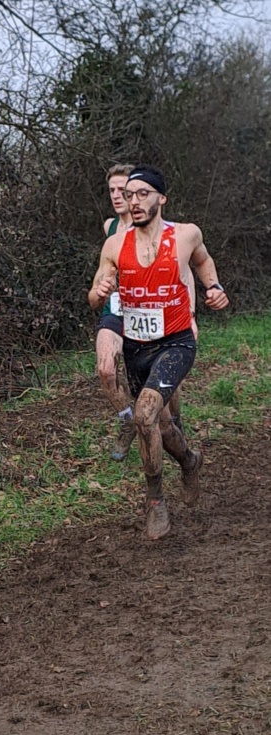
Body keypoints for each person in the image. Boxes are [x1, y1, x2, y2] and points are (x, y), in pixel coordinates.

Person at [88, 165, 228, 540]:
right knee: (159, 426)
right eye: (129, 195)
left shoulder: (185, 234)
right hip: (137, 347)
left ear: (161, 198)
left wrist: (214, 287)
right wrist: (99, 293)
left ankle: (155, 501)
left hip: (176, 342)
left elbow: (202, 260)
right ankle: (189, 460)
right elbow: (95, 294)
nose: (134, 201)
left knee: (145, 413)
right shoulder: (114, 245)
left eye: (142, 194)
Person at [95, 164, 136, 460]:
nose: (116, 195)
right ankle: (127, 421)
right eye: (112, 190)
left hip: (146, 310)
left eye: (122, 190)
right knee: (106, 369)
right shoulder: (109, 226)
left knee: (158, 384)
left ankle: (174, 424)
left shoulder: (151, 226)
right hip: (115, 307)